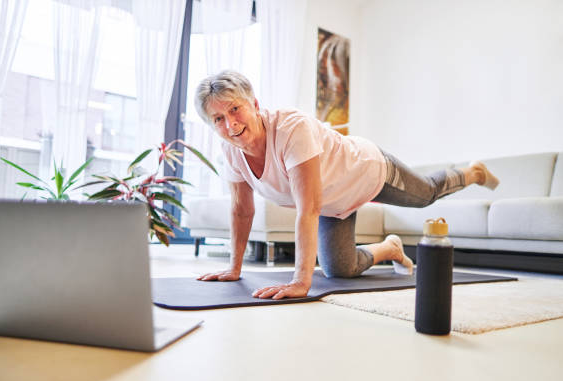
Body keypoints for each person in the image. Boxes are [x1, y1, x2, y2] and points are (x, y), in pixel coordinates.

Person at [193, 70, 499, 300]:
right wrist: (234, 268)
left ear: (254, 103)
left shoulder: (291, 128)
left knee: (426, 195)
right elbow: (241, 210)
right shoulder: (230, 150)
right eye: (217, 118)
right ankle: (390, 248)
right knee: (340, 269)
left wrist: (301, 281)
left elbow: (307, 208)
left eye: (235, 109)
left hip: (367, 170)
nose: (230, 124)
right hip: (332, 201)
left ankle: (472, 172)